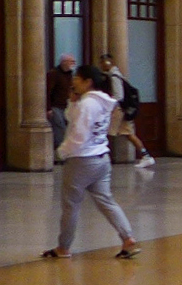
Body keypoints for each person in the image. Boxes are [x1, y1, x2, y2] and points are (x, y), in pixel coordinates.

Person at [43, 64, 139, 260]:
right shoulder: (101, 102)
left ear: (88, 82)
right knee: (106, 201)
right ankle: (128, 239)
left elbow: (78, 135)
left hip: (81, 160)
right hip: (101, 158)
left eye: (77, 78)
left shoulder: (87, 105)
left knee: (71, 205)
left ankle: (63, 248)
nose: (73, 81)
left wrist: (61, 152)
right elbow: (74, 118)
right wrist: (72, 102)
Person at [95, 52, 155, 168]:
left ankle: (101, 158)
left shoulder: (114, 77)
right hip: (124, 110)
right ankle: (145, 155)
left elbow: (118, 96)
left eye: (102, 63)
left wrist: (108, 106)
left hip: (118, 110)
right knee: (129, 134)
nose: (101, 66)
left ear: (107, 63)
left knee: (106, 132)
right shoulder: (115, 75)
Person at [45, 54, 76, 150]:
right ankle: (60, 152)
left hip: (67, 106)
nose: (73, 64)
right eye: (71, 61)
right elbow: (47, 91)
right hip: (56, 107)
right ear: (64, 62)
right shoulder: (54, 74)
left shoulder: (70, 75)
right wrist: (48, 108)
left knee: (67, 129)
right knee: (60, 129)